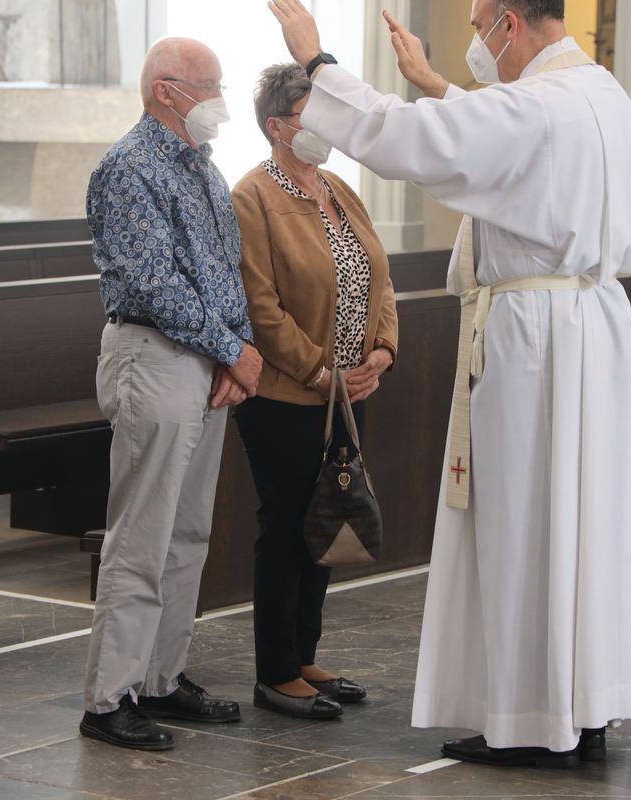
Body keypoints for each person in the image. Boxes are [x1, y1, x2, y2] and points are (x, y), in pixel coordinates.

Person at [270, 0, 631, 767]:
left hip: (536, 342)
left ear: (510, 22)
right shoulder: (599, 93)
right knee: (583, 524)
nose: (477, 42)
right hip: (592, 332)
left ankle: (529, 718)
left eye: (479, 27)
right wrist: (439, 84)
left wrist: (317, 62)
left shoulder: (537, 105)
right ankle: (583, 704)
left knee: (525, 520)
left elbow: (417, 141)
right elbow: (498, 142)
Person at [79, 37, 263, 752]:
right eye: (208, 84)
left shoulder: (204, 166)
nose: (219, 96)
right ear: (165, 90)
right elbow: (156, 284)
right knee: (143, 536)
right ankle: (108, 696)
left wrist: (234, 352)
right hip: (154, 357)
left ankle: (160, 676)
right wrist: (234, 350)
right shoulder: (129, 169)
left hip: (206, 363)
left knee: (188, 532)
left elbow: (224, 269)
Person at [230, 63, 397, 720]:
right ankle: (274, 672)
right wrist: (322, 372)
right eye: (311, 115)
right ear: (277, 126)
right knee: (287, 529)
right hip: (287, 395)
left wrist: (382, 350)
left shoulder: (337, 187)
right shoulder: (251, 197)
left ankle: (305, 655)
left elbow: (378, 278)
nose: (325, 128)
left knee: (326, 519)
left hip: (351, 392)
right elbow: (260, 306)